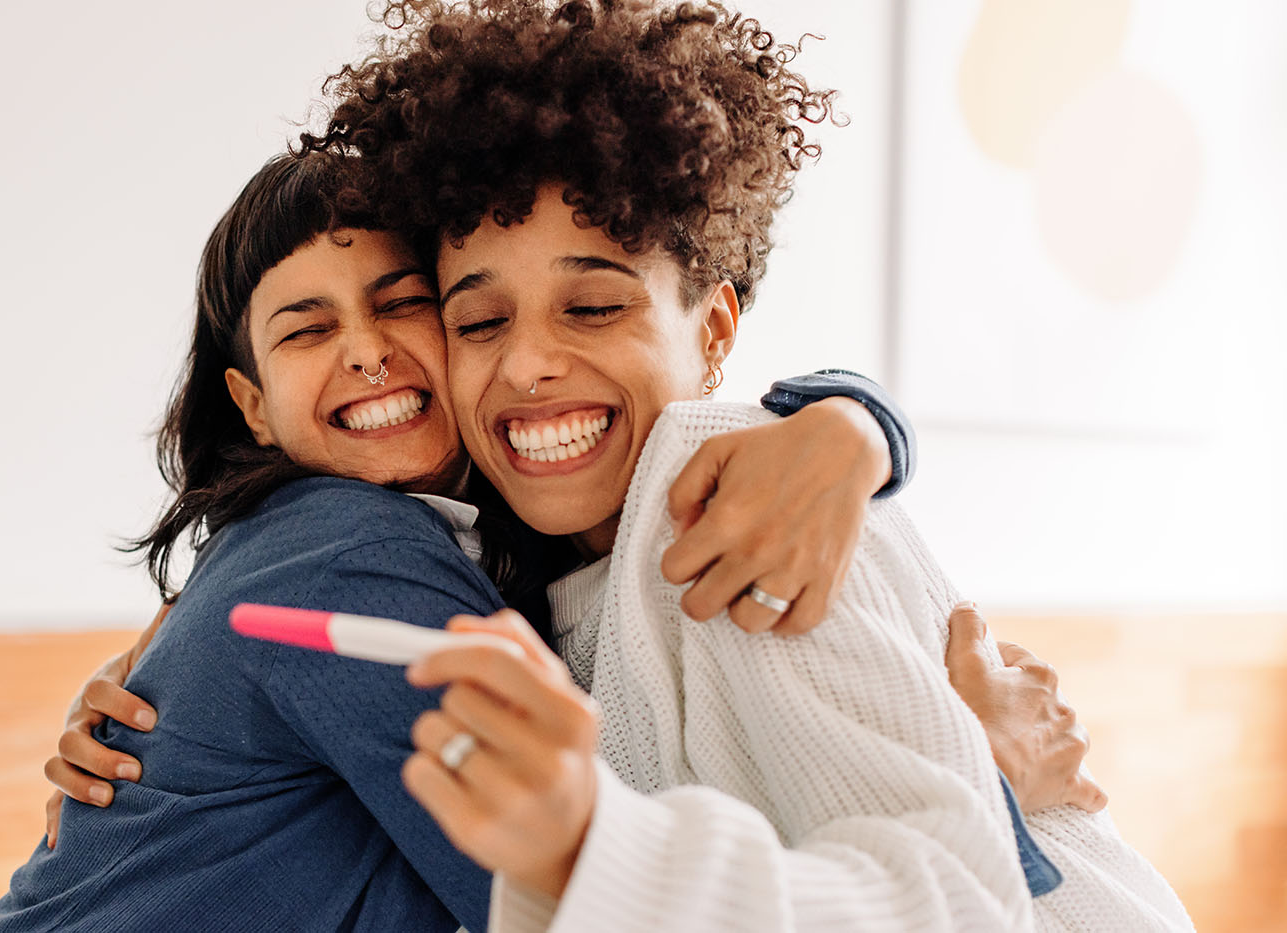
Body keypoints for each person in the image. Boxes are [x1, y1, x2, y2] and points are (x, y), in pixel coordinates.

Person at [293, 0, 1196, 929]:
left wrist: (591, 847)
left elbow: (957, 903)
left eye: (594, 308)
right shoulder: (521, 555)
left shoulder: (741, 509)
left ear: (715, 326)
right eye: (479, 323)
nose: (526, 364)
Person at [0, 152, 971, 932]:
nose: (366, 349)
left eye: (402, 302)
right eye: (305, 330)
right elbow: (569, 879)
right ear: (253, 408)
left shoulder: (463, 549)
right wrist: (990, 790)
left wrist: (857, 421)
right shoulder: (347, 551)